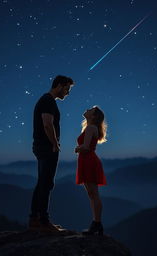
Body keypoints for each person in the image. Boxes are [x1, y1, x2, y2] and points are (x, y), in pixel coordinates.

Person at [29, 75, 74, 232]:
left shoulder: (46, 100)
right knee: (47, 183)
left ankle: (35, 219)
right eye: (67, 89)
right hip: (47, 147)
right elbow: (47, 124)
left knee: (42, 182)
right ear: (60, 85)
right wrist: (55, 144)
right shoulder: (48, 101)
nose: (67, 93)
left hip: (42, 146)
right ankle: (43, 221)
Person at [75, 106, 107, 235]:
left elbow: (86, 148)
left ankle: (97, 223)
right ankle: (96, 223)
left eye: (90, 110)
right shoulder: (91, 128)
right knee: (92, 195)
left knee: (93, 195)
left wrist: (77, 149)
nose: (87, 110)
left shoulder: (90, 128)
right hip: (87, 161)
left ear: (93, 116)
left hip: (88, 161)